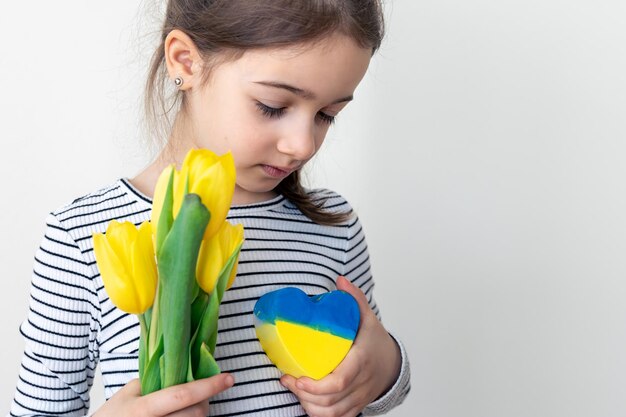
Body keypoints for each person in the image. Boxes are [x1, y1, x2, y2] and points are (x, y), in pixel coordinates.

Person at [8, 1, 411, 416]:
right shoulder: (81, 235)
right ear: (185, 61)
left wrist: (384, 368)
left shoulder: (333, 225)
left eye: (328, 115)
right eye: (273, 105)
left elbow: (372, 369)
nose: (303, 145)